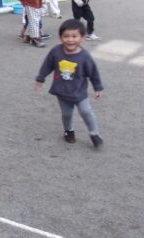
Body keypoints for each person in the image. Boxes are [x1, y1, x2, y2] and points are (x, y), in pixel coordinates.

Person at [34, 19, 104, 148]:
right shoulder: (56, 51)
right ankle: (69, 131)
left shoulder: (84, 56)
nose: (70, 40)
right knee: (66, 114)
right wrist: (40, 78)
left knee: (86, 111)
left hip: (79, 92)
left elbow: (93, 72)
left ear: (82, 38)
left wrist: (97, 87)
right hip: (62, 92)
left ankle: (94, 133)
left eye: (74, 36)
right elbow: (47, 65)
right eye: (66, 36)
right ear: (60, 37)